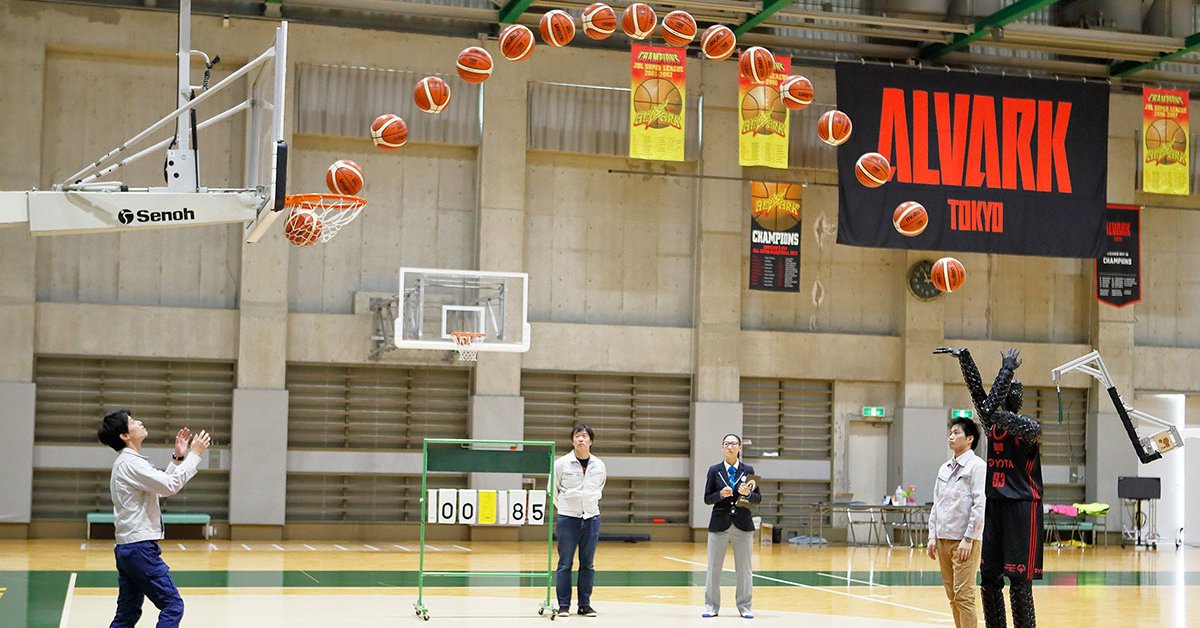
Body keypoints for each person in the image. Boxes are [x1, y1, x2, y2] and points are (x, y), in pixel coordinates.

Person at [936, 347, 1043, 628]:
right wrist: (966, 360)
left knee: (1019, 583)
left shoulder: (1030, 427)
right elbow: (981, 401)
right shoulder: (993, 422)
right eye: (1009, 386)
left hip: (1022, 508)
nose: (1012, 390)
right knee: (990, 580)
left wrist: (1006, 372)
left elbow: (987, 409)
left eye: (1012, 387)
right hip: (995, 505)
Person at [96, 409, 211, 628]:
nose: (139, 421)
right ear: (124, 435)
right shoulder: (130, 463)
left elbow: (159, 486)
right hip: (139, 549)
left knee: (127, 614)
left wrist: (178, 458)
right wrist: (195, 454)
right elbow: (169, 486)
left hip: (128, 548)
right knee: (172, 605)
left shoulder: (129, 462)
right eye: (132, 421)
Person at [927, 417, 987, 628]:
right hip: (943, 539)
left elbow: (979, 504)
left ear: (969, 438)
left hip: (964, 542)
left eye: (956, 433)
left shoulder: (977, 466)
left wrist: (969, 538)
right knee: (953, 596)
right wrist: (932, 536)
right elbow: (937, 504)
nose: (951, 436)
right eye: (950, 433)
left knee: (964, 596)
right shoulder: (944, 468)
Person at [702, 433, 761, 619]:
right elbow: (707, 498)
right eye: (727, 443)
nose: (730, 447)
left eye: (734, 444)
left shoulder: (748, 470)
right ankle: (711, 606)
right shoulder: (714, 470)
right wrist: (720, 494)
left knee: (744, 569)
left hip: (743, 524)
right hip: (719, 523)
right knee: (713, 568)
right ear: (722, 447)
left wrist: (749, 494)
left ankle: (745, 606)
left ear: (740, 448)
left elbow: (758, 499)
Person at [552, 424, 606, 618]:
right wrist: (567, 509)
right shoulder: (561, 464)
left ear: (590, 441)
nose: (581, 440)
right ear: (572, 440)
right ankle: (564, 605)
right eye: (577, 436)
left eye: (584, 437)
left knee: (588, 564)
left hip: (591, 518)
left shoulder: (599, 465)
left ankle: (585, 605)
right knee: (565, 563)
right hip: (568, 518)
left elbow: (600, 486)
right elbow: (554, 490)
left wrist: (588, 507)